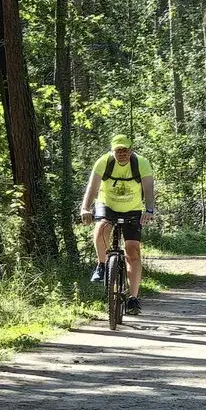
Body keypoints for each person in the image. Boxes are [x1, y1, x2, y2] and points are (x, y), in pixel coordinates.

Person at [79, 134, 156, 315]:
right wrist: (85, 208)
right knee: (102, 227)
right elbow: (92, 187)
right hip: (107, 204)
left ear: (131, 150)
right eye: (118, 150)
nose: (122, 153)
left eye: (125, 150)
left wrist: (150, 210)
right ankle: (102, 265)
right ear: (112, 151)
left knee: (132, 251)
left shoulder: (141, 163)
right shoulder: (104, 162)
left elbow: (149, 188)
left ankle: (133, 298)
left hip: (133, 208)